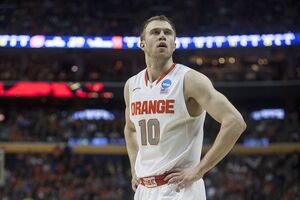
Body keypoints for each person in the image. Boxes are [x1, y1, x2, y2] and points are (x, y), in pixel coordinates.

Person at [123, 15, 247, 200]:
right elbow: (131, 128)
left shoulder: (189, 80)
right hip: (144, 190)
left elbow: (235, 122)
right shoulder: (132, 85)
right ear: (142, 44)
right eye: (155, 32)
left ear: (174, 44)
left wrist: (199, 170)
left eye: (168, 33)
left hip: (179, 189)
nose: (162, 36)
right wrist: (134, 167)